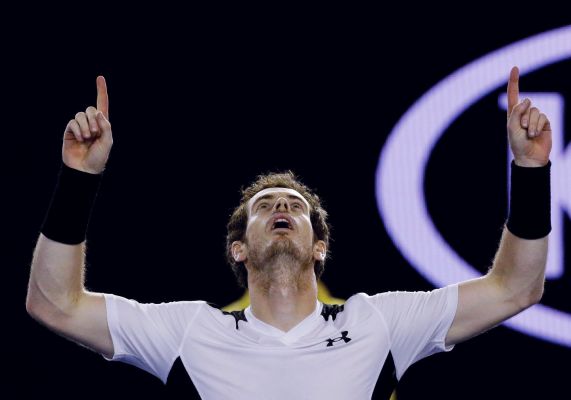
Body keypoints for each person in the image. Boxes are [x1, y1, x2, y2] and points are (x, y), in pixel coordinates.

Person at [25, 66, 552, 400]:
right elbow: (55, 305)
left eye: (295, 207)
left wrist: (529, 170)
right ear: (239, 247)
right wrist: (79, 178)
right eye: (265, 207)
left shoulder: (379, 323)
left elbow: (516, 288)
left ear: (318, 246)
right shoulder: (189, 331)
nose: (281, 205)